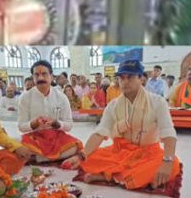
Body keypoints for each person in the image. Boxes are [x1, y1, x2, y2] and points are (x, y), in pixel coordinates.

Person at [63, 60, 181, 191]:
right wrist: (81, 155)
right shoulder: (113, 105)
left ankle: (110, 175)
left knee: (173, 163)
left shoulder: (157, 102)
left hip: (148, 154)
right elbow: (99, 133)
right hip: (119, 152)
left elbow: (169, 132)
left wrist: (167, 161)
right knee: (90, 157)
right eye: (121, 78)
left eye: (130, 77)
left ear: (141, 78)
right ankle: (128, 177)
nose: (124, 81)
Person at [17, 60, 81, 163]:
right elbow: (21, 126)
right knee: (15, 143)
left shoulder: (61, 97)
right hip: (35, 138)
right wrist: (34, 123)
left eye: (44, 74)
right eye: (36, 75)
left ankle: (37, 158)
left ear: (51, 76)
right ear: (33, 77)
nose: (40, 78)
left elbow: (69, 125)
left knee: (74, 146)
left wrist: (55, 123)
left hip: (56, 137)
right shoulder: (25, 97)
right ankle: (48, 157)